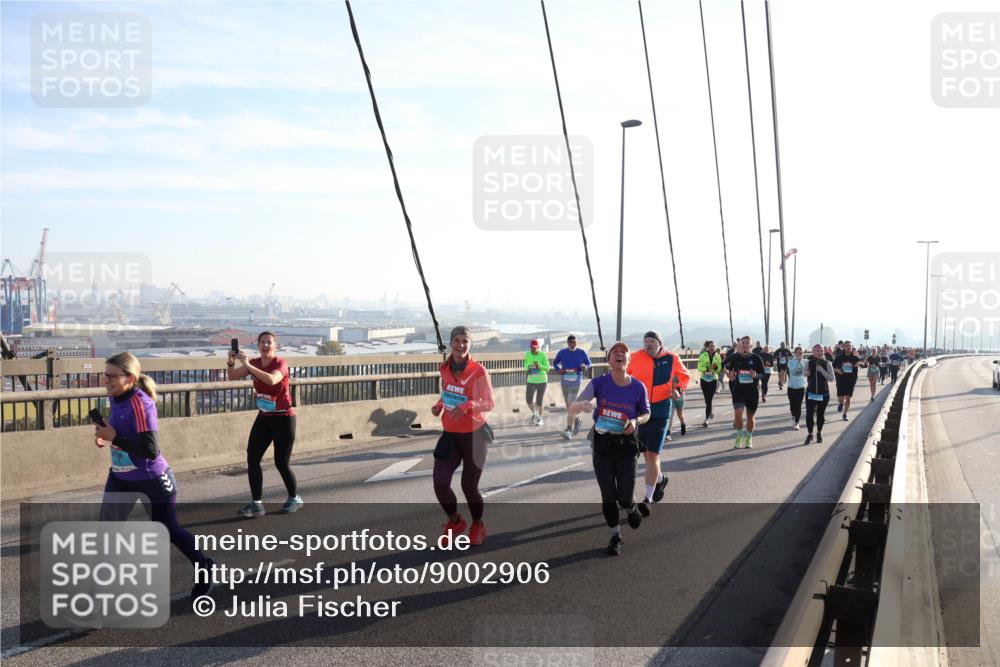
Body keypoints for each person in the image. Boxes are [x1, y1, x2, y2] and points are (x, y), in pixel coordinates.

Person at [94, 352, 214, 599]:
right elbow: (123, 432)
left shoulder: (141, 403)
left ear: (130, 378)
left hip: (151, 480)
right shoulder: (114, 397)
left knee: (169, 530)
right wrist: (105, 435)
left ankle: (204, 566)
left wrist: (114, 437)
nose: (107, 380)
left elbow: (150, 450)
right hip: (120, 477)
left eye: (112, 376)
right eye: (105, 375)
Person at [569, 341, 649, 556]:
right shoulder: (599, 383)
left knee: (624, 497)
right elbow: (573, 406)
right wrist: (582, 406)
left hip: (626, 445)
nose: (619, 354)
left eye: (624, 352)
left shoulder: (638, 387)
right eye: (615, 352)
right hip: (603, 444)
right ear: (609, 360)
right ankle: (615, 536)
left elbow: (646, 413)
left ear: (628, 360)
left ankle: (631, 508)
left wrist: (636, 422)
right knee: (608, 495)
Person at [432, 326, 495, 546]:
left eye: (465, 341)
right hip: (450, 435)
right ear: (451, 343)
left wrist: (468, 405)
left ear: (470, 344)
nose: (461, 345)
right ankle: (455, 522)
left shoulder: (479, 370)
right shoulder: (444, 368)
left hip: (475, 436)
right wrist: (439, 405)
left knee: (469, 487)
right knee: (440, 483)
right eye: (457, 340)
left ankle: (478, 524)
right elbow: (448, 392)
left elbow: (489, 403)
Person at [229, 332, 302, 517]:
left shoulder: (280, 364)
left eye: (269, 342)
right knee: (252, 459)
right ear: (258, 345)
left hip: (283, 419)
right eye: (262, 342)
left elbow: (272, 379)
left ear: (275, 346)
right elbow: (232, 376)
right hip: (264, 417)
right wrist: (231, 362)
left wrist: (247, 365)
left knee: (281, 463)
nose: (266, 345)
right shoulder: (254, 363)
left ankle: (294, 498)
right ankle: (256, 504)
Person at [627, 331, 689, 512]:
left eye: (652, 341)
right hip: (640, 412)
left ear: (660, 344)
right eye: (646, 341)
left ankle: (647, 498)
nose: (648, 344)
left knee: (653, 454)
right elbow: (624, 376)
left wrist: (678, 389)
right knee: (645, 454)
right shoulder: (635, 357)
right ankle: (660, 479)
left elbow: (685, 376)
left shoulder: (671, 358)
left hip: (661, 411)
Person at [723, 336, 766, 449]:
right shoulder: (735, 357)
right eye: (743, 343)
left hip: (752, 392)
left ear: (751, 345)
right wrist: (728, 374)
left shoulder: (757, 358)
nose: (745, 345)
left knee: (750, 417)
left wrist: (756, 375)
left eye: (747, 343)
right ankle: (739, 436)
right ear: (740, 345)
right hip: (739, 390)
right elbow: (722, 365)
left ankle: (749, 436)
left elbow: (763, 375)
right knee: (738, 415)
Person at [552, 334, 592, 439]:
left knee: (571, 405)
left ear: (576, 342)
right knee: (568, 406)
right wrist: (558, 369)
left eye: (574, 342)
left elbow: (589, 363)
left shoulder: (582, 352)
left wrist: (585, 366)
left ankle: (569, 429)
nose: (572, 344)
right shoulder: (562, 352)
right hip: (565, 381)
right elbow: (555, 363)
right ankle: (577, 420)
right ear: (567, 343)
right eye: (570, 342)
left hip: (576, 381)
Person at [804, 344, 836, 444]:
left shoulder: (827, 363)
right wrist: (807, 373)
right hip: (811, 393)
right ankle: (810, 434)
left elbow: (832, 378)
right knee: (809, 414)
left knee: (820, 415)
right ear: (813, 352)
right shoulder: (809, 362)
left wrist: (822, 370)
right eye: (817, 350)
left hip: (823, 394)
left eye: (821, 350)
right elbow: (804, 373)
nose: (820, 352)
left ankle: (819, 433)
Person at [833, 341, 862, 421]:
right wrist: (837, 370)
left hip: (851, 381)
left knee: (848, 398)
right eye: (847, 346)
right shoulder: (839, 358)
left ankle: (844, 414)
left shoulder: (855, 358)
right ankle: (841, 403)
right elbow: (833, 366)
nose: (848, 347)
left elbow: (865, 364)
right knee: (840, 399)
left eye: (850, 346)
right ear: (844, 347)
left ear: (851, 348)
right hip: (841, 381)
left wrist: (860, 363)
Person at [524, 339, 550, 426]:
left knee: (539, 401)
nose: (533, 349)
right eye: (531, 347)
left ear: (538, 347)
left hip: (542, 380)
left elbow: (547, 368)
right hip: (531, 380)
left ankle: (540, 419)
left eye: (534, 348)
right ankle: (534, 413)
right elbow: (525, 365)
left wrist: (539, 366)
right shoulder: (527, 354)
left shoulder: (542, 354)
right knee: (528, 400)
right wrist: (527, 370)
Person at [697, 340, 723, 428]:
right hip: (704, 379)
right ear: (707, 347)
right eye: (711, 346)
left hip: (713, 380)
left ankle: (706, 419)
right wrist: (706, 369)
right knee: (706, 400)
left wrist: (713, 369)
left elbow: (719, 368)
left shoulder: (718, 356)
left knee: (709, 399)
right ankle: (710, 410)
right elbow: (699, 367)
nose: (712, 347)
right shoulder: (703, 355)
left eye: (714, 346)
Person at [786, 345, 807, 429]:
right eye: (798, 353)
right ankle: (793, 416)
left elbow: (805, 370)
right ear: (795, 353)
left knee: (798, 405)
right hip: (791, 386)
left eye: (801, 353)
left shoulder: (805, 361)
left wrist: (800, 361)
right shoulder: (791, 362)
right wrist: (798, 361)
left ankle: (797, 423)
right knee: (792, 405)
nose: (800, 354)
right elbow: (793, 371)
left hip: (801, 386)